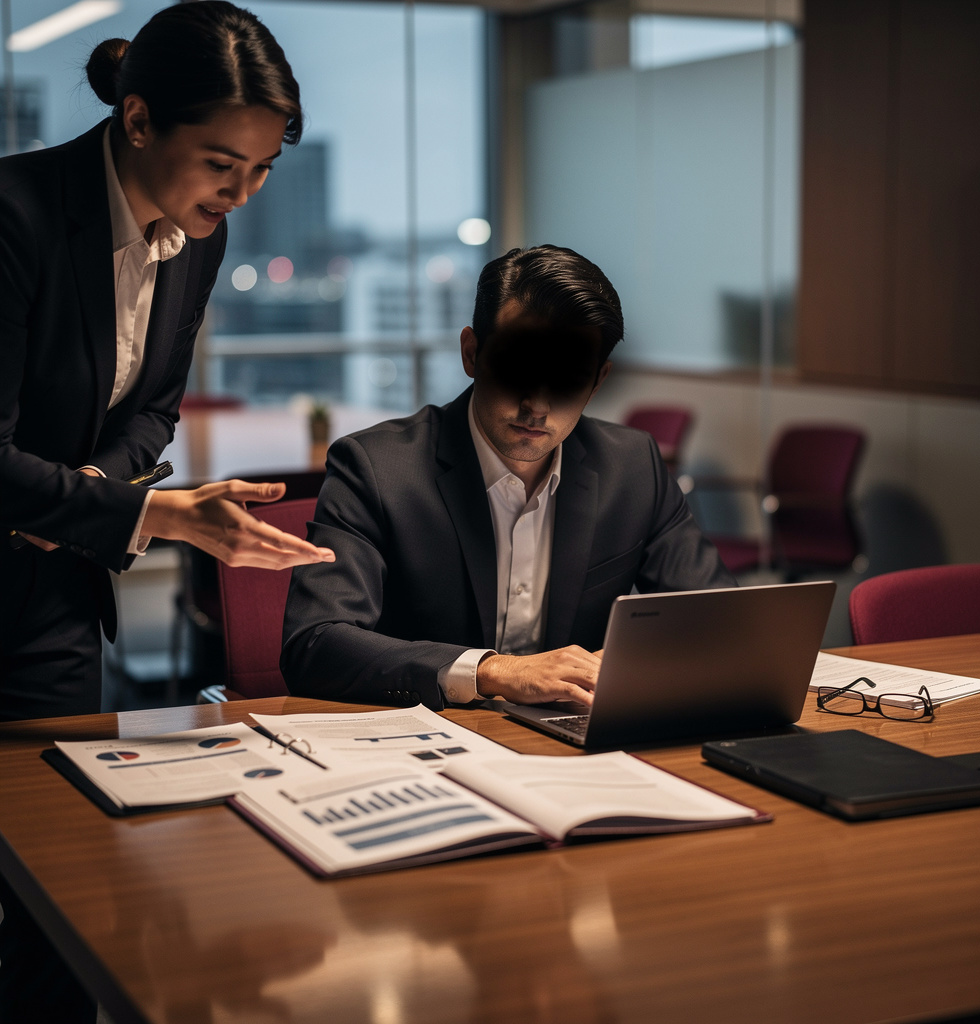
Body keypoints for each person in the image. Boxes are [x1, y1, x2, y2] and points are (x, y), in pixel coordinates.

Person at [0, 4, 330, 1020]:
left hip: (53, 603)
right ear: (138, 120)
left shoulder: (198, 237)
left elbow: (150, 406)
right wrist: (154, 517)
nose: (239, 196)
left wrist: (91, 501)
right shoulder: (14, 217)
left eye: (263, 171)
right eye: (221, 164)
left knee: (59, 895)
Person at [281, 244, 733, 709]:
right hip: (432, 739)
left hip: (574, 738)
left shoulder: (633, 466)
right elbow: (315, 644)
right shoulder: (375, 467)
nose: (537, 405)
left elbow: (719, 619)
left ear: (598, 381)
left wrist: (626, 665)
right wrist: (492, 670)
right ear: (472, 353)